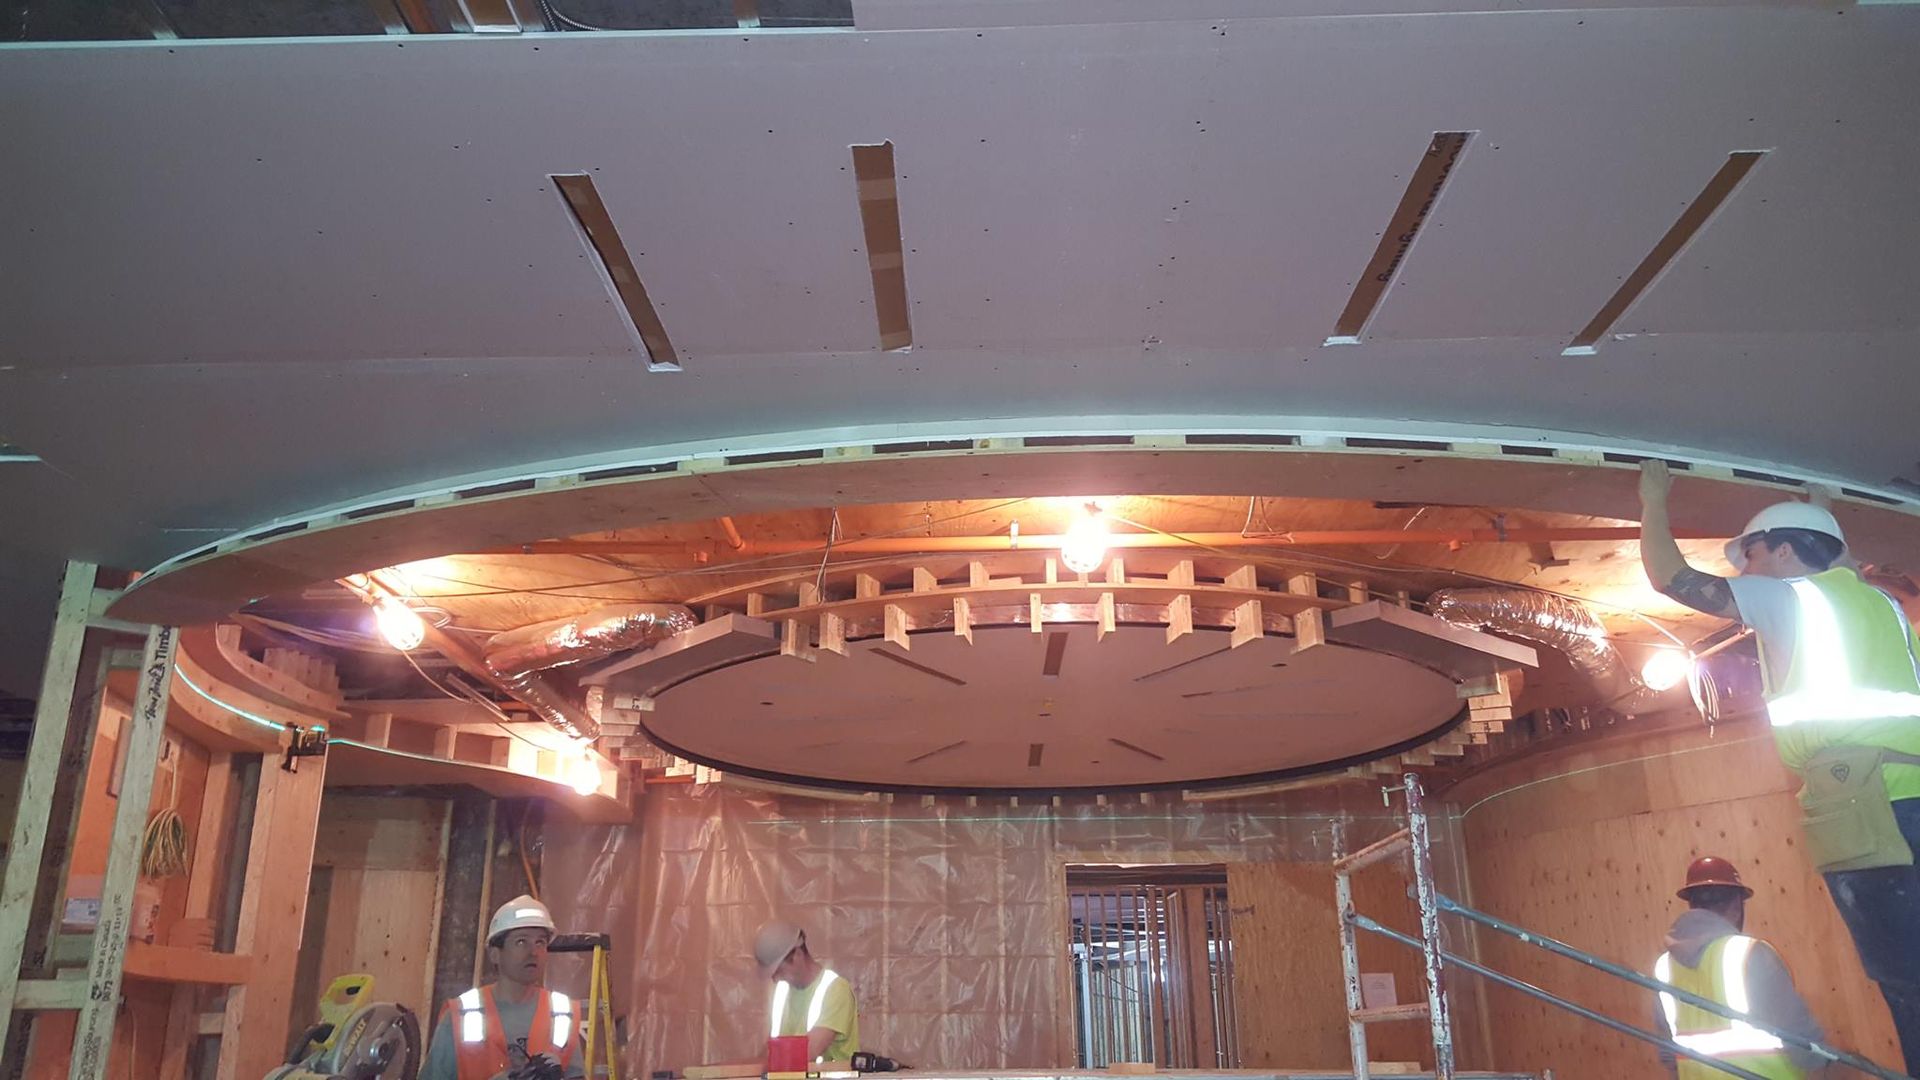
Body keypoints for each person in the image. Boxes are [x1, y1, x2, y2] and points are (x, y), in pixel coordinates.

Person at [1640, 459, 1920, 1068]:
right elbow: (1838, 565)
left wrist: (1652, 498)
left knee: (1907, 979)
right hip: (1909, 788)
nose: (1746, 570)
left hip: (1866, 803)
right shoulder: (1884, 607)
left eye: (1753, 555)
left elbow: (1672, 577)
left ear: (1788, 553)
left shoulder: (1792, 597)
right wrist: (1826, 511)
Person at [1652, 857, 1824, 1080]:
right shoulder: (1750, 954)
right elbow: (1800, 1037)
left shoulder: (1665, 966)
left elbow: (1667, 1052)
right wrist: (1823, 1061)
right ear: (1735, 906)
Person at [422, 895, 582, 1080]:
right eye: (521, 941)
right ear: (495, 954)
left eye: (540, 942)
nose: (534, 952)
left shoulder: (561, 1013)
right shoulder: (460, 1016)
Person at [754, 919, 859, 1063]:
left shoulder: (835, 990)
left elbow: (805, 1054)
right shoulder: (783, 992)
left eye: (779, 970)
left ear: (797, 955)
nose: (776, 979)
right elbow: (770, 1053)